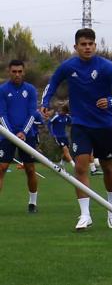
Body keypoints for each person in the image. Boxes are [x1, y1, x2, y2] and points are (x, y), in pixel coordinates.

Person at [41, 28, 112, 230]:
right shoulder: (68, 66)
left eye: (91, 43)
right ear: (76, 47)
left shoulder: (106, 67)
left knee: (108, 167)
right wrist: (45, 101)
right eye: (83, 44)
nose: (87, 47)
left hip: (103, 125)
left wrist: (110, 101)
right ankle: (85, 215)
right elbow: (52, 83)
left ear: (95, 46)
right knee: (80, 167)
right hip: (80, 124)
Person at [0, 60, 40, 213]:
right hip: (7, 135)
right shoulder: (2, 90)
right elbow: (1, 113)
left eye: (19, 71)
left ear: (24, 72)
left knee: (30, 168)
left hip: (27, 135)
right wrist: (10, 134)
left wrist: (23, 132)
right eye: (14, 71)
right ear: (9, 72)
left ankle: (32, 203)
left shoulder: (30, 89)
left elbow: (32, 113)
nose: (17, 74)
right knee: (2, 167)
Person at [47, 103, 75, 170]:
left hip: (64, 136)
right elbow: (49, 123)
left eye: (63, 111)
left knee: (66, 151)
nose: (61, 112)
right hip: (58, 136)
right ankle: (74, 165)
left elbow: (71, 123)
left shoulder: (67, 117)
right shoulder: (56, 117)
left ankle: (61, 163)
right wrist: (52, 133)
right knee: (65, 150)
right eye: (61, 110)